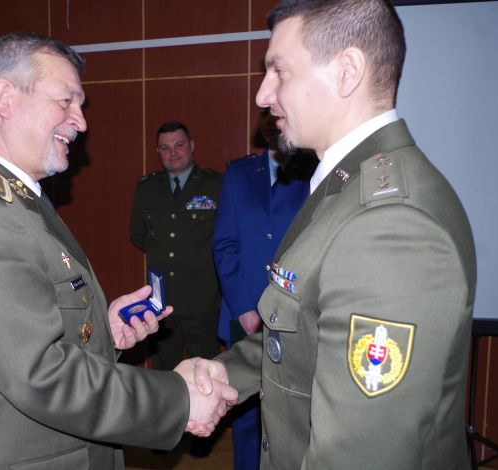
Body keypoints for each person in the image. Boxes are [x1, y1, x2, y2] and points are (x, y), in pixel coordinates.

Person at [0, 33, 236, 470]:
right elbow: (41, 375)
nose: (81, 122)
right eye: (66, 101)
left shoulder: (17, 198)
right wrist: (177, 400)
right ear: (5, 98)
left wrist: (104, 330)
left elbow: (23, 334)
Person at [191, 1, 477, 469]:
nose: (263, 94)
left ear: (347, 72)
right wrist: (221, 373)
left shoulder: (390, 226)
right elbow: (302, 336)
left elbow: (359, 455)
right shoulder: (343, 186)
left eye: (279, 71)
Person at [212, 108, 311, 470]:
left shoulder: (314, 171)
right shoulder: (239, 173)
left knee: (291, 408)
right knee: (246, 410)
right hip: (244, 310)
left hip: (296, 311)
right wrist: (243, 307)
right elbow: (225, 243)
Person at [129, 122, 222, 372]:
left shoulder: (215, 185)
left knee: (205, 370)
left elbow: (225, 238)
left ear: (192, 146)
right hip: (162, 300)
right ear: (158, 152)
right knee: (164, 371)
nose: (173, 152)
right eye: (165, 148)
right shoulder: (147, 187)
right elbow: (137, 234)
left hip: (202, 299)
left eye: (179, 145)